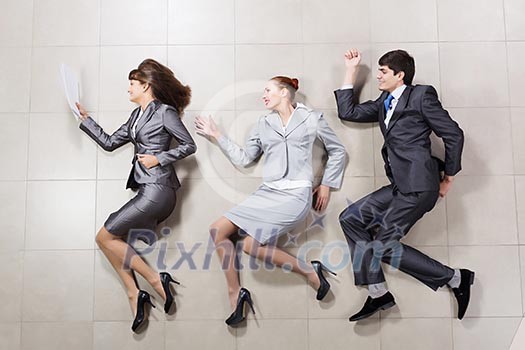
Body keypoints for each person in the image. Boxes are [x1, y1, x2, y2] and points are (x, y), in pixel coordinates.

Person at [195, 76, 346, 326]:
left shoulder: (311, 118)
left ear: (284, 92)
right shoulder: (263, 124)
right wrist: (217, 135)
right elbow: (245, 159)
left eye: (268, 90)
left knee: (249, 246)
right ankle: (237, 293)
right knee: (218, 231)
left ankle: (310, 272)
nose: (263, 95)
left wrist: (327, 185)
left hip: (296, 195)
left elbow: (337, 150)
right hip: (267, 193)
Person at [335, 48, 474, 321]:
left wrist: (449, 177)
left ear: (400, 75)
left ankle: (456, 278)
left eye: (384, 71)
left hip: (420, 185)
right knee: (350, 218)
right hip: (400, 186)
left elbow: (454, 134)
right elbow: (347, 111)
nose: (378, 75)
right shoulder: (384, 101)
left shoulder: (421, 96)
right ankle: (378, 294)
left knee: (384, 246)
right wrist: (351, 70)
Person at [76, 59, 196, 332]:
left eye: (132, 83)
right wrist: (85, 119)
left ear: (147, 85)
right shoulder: (135, 117)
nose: (128, 88)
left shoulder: (164, 112)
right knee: (108, 240)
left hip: (160, 188)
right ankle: (135, 292)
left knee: (104, 236)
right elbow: (108, 142)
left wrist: (159, 159)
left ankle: (154, 281)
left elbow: (189, 145)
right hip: (147, 188)